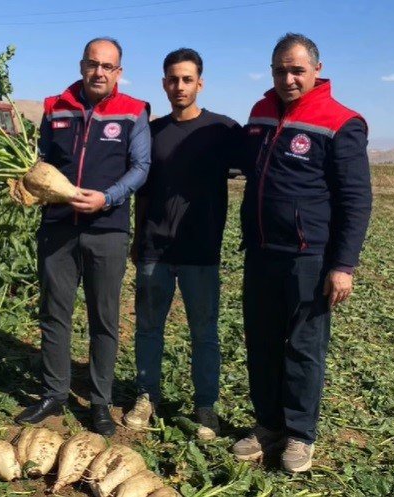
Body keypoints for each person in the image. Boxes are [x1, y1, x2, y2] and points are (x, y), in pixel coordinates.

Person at [234, 33, 372, 473]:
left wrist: (343, 265)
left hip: (308, 256)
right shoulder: (260, 112)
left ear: (316, 68)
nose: (288, 78)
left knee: (303, 347)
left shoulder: (340, 120)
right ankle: (268, 424)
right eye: (280, 70)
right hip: (260, 251)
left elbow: (355, 199)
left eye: (296, 70)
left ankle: (299, 434)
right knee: (261, 342)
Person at [13, 37, 151, 436]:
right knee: (54, 313)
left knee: (104, 318)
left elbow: (141, 167)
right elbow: (41, 161)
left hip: (106, 230)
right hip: (58, 227)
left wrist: (108, 197)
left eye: (108, 66)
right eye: (93, 64)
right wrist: (26, 182)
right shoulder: (55, 107)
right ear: (81, 65)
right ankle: (54, 393)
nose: (99, 72)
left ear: (119, 72)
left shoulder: (133, 111)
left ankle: (101, 402)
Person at [121, 48, 241, 440]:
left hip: (201, 252)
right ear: (163, 84)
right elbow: (141, 193)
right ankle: (146, 396)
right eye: (173, 79)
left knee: (204, 333)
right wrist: (137, 240)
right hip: (155, 250)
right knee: (148, 329)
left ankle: (205, 406)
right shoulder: (152, 133)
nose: (179, 86)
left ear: (200, 84)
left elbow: (260, 168)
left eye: (187, 79)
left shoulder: (222, 131)